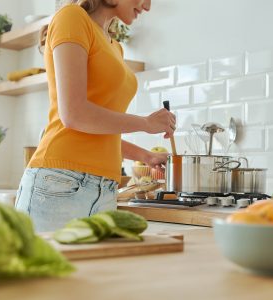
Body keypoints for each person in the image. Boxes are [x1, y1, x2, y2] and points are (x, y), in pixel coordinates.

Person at [15, 0, 176, 232]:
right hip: (59, 183)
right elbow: (74, 115)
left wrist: (145, 156)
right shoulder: (72, 18)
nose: (148, 6)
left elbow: (97, 130)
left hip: (105, 190)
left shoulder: (115, 47)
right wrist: (145, 123)